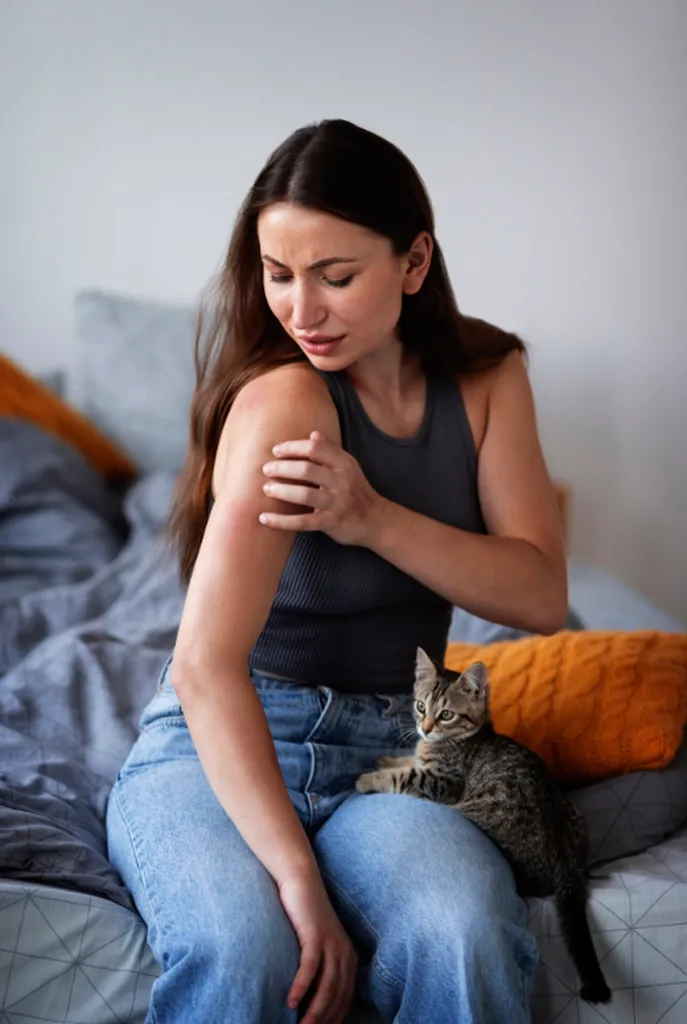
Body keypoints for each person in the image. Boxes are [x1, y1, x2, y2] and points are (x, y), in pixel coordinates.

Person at [106, 119, 567, 1024]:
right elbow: (203, 667)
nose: (301, 310)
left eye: (335, 276)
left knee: (463, 932)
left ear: (413, 261)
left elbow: (541, 595)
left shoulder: (488, 375)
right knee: (248, 950)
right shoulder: (284, 400)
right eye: (278, 274)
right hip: (227, 747)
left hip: (393, 750)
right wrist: (296, 880)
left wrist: (372, 519)